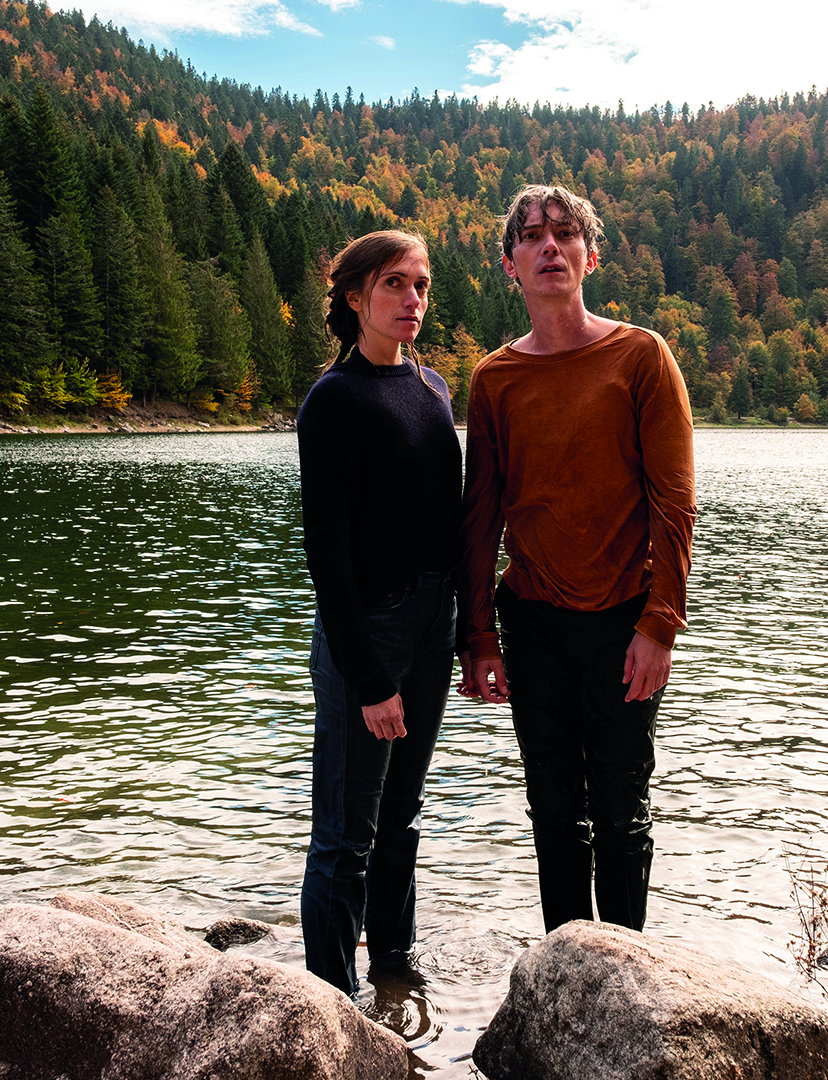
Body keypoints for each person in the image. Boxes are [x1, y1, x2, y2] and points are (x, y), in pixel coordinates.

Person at [459, 185, 696, 934]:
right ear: (511, 265)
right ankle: (564, 974)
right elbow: (481, 515)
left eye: (564, 234)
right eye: (533, 236)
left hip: (625, 621)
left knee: (623, 811)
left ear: (591, 256)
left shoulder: (641, 355)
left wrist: (660, 622)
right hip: (533, 625)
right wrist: (479, 637)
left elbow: (674, 500)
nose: (549, 246)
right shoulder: (495, 378)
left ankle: (628, 979)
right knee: (554, 811)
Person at [296, 230, 462, 998]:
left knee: (402, 817)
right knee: (344, 834)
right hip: (368, 629)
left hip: (432, 622)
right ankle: (331, 999)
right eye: (395, 284)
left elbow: (447, 521)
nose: (413, 300)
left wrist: (468, 635)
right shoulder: (333, 401)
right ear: (356, 296)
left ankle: (394, 976)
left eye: (421, 285)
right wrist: (367, 678)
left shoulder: (432, 391)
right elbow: (326, 553)